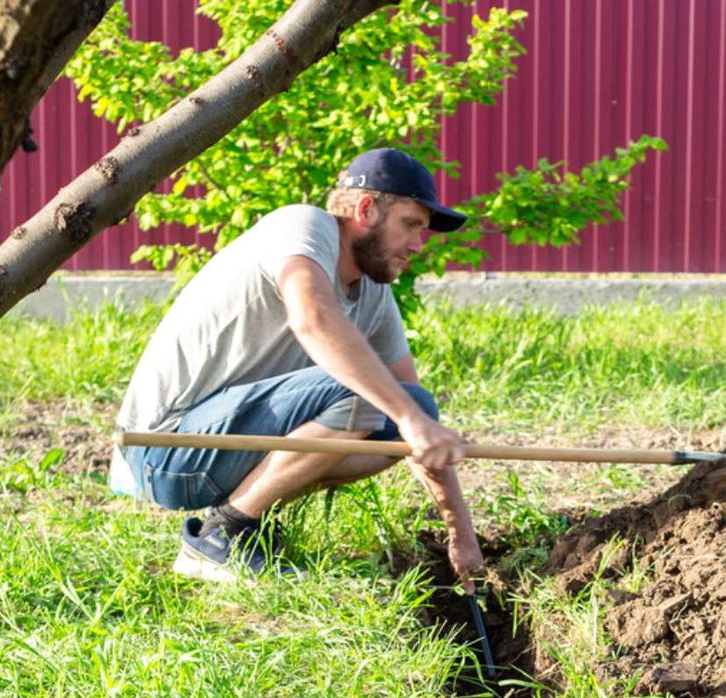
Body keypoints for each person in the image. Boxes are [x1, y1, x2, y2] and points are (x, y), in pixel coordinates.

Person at [109, 148, 483, 589]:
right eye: (410, 224)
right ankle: (222, 536)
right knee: (367, 394)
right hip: (167, 450)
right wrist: (407, 416)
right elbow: (313, 318)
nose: (419, 245)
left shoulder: (372, 294)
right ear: (365, 209)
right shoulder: (303, 227)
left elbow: (415, 418)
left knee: (410, 408)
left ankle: (240, 519)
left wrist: (461, 534)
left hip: (224, 446)